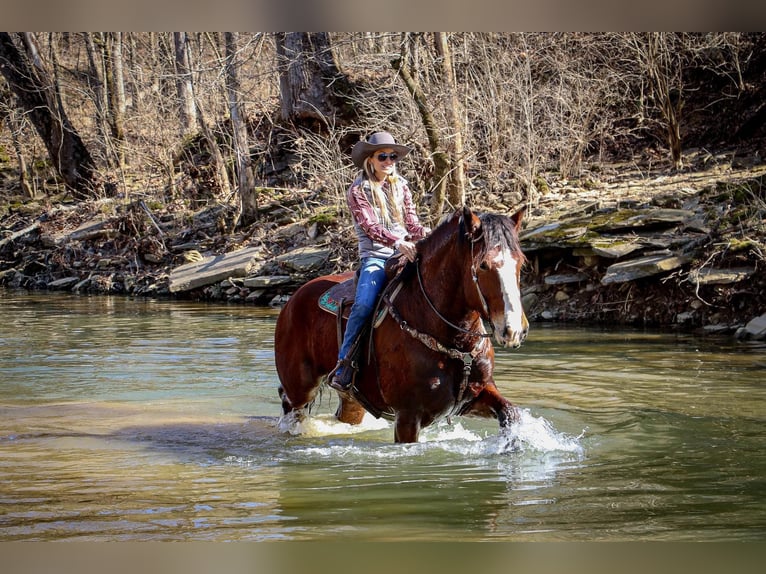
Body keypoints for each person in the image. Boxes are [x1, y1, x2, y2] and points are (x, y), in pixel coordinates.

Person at [329, 131, 430, 392]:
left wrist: (428, 236)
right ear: (370, 160)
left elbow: (411, 223)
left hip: (406, 252)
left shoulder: (402, 186)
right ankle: (345, 363)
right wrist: (398, 243)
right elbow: (371, 227)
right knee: (363, 305)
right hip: (375, 256)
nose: (388, 160)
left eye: (392, 156)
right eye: (382, 156)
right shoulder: (358, 190)